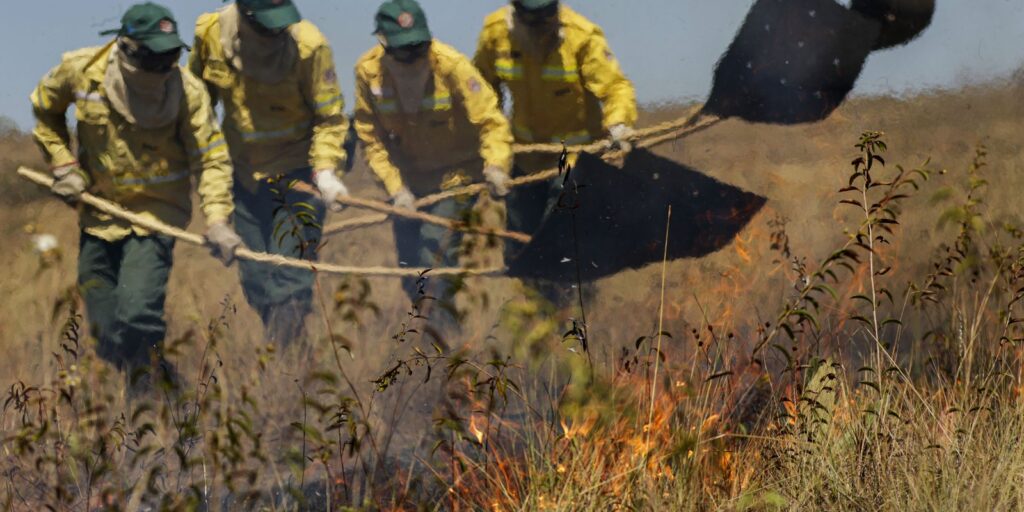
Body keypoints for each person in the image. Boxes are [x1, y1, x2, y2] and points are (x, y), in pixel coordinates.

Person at [30, 2, 239, 370]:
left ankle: (150, 400)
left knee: (138, 315)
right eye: (153, 57)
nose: (162, 66)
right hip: (98, 215)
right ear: (126, 47)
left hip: (155, 217)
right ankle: (161, 385)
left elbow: (211, 160)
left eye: (170, 55)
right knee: (106, 332)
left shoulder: (187, 91)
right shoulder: (81, 71)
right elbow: (45, 112)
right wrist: (64, 166)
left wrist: (219, 220)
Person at [189, 0, 349, 345]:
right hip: (244, 180)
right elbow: (196, 105)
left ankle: (289, 378)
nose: (277, 30)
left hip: (299, 177)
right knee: (259, 285)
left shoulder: (310, 45)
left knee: (290, 285)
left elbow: (330, 118)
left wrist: (324, 172)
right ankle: (294, 354)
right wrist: (215, 215)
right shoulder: (210, 33)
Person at [354, 0, 513, 315]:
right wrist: (396, 190)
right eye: (404, 48)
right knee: (409, 270)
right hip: (407, 186)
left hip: (456, 178)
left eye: (418, 45)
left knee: (433, 257)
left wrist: (496, 165)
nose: (413, 54)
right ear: (384, 43)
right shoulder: (368, 73)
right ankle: (439, 330)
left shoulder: (451, 65)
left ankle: (441, 346)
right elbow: (371, 140)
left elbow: (491, 122)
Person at [473, 0, 638, 241]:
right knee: (520, 248)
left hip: (576, 160)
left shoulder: (582, 36)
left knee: (559, 237)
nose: (542, 23)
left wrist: (619, 124)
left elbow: (616, 88)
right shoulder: (495, 32)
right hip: (525, 161)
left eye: (548, 13)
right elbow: (482, 99)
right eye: (534, 16)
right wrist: (494, 158)